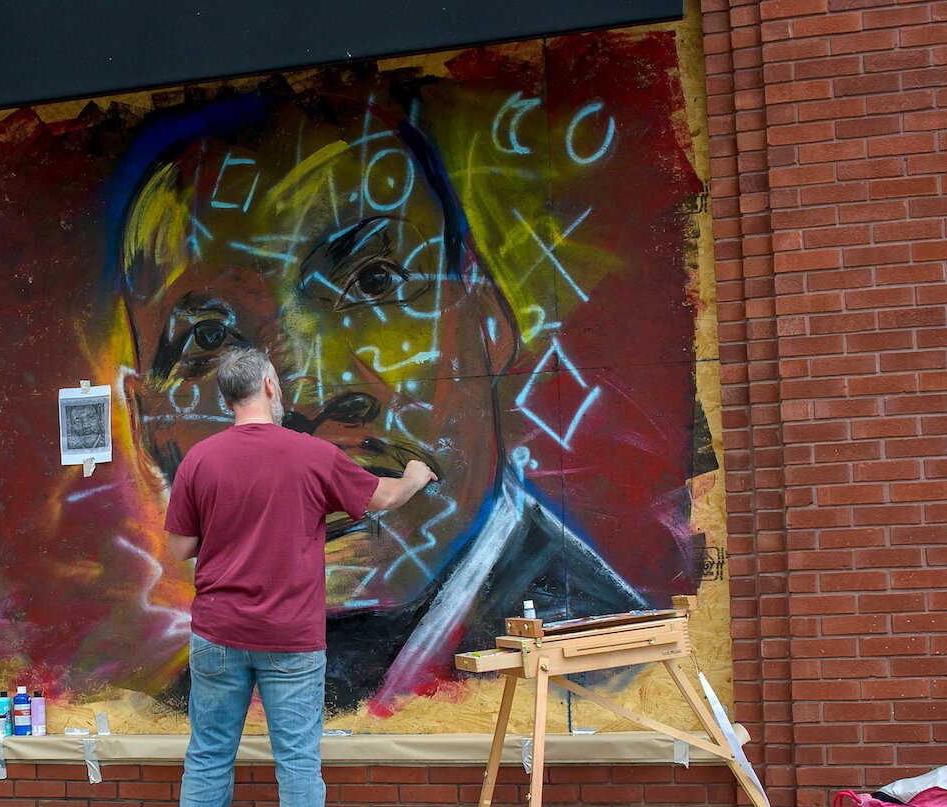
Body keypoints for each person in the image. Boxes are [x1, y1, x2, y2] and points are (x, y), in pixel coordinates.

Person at [120, 93, 648, 714]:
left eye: (375, 283)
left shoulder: (604, 671)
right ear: (146, 424)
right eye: (209, 337)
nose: (306, 398)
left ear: (488, 322)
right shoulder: (190, 697)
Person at [163, 346, 436, 807]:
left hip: (218, 632)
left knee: (209, 755)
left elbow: (180, 548)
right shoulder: (309, 454)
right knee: (297, 761)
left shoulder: (200, 462)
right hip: (291, 636)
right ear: (267, 385)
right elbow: (382, 497)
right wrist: (413, 476)